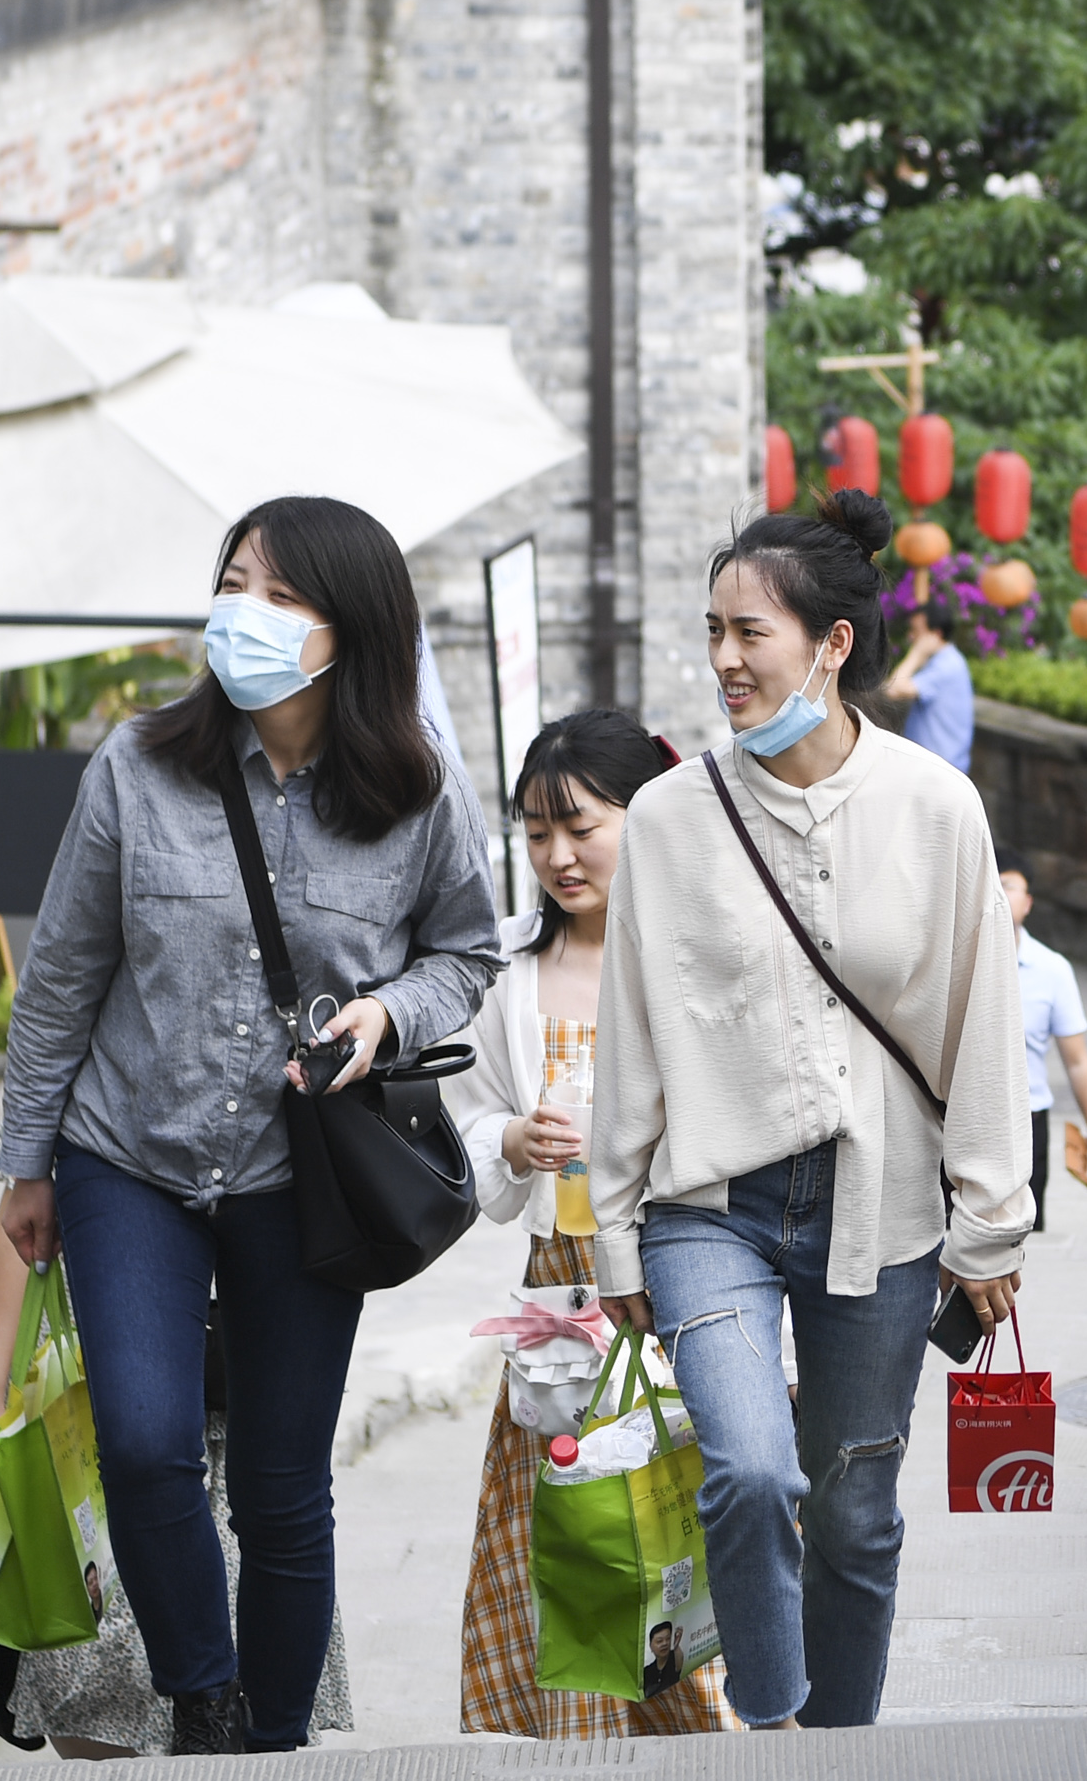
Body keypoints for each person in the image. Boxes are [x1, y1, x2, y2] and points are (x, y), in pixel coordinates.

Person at [0, 496, 501, 1757]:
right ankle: (202, 1709)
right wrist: (23, 1160)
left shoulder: (415, 796)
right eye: (233, 583)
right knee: (148, 1443)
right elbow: (59, 974)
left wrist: (389, 1010)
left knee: (281, 1487)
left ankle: (277, 1743)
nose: (244, 615)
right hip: (130, 1157)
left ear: (352, 630)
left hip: (300, 1176)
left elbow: (470, 950)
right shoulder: (137, 765)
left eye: (280, 596)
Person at [587, 491, 1032, 1731]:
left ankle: (842, 1746)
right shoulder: (672, 815)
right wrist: (610, 1227)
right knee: (749, 1466)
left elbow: (977, 1024)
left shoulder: (936, 807)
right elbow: (630, 1027)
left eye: (751, 633)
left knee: (854, 1510)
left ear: (832, 645)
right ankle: (769, 1735)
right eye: (713, 630)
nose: (723, 659)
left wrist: (991, 1222)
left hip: (879, 1205)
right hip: (710, 1205)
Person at [443, 711, 731, 1739]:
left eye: (580, 826)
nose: (557, 855)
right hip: (564, 1296)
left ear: (644, 816)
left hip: (691, 1272)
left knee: (692, 1519)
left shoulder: (702, 949)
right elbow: (463, 1119)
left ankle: (717, 1734)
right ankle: (582, 1749)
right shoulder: (506, 967)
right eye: (534, 831)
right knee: (574, 1527)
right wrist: (514, 1140)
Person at [0, 1231, 359, 1755]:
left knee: (257, 1628)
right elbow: (22, 1206)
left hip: (243, 1378)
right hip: (94, 1383)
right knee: (98, 1656)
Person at [1000, 869, 1087, 1228]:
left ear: (1028, 902)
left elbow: (1077, 1061)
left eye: (1009, 887)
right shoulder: (947, 959)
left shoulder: (1051, 969)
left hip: (1027, 1121)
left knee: (1025, 1233)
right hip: (953, 1121)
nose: (1000, 895)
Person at [883, 614, 975, 774]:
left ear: (936, 634)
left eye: (916, 631)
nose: (910, 636)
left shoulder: (946, 666)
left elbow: (893, 689)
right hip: (938, 768)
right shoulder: (944, 661)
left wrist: (916, 654)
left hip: (941, 771)